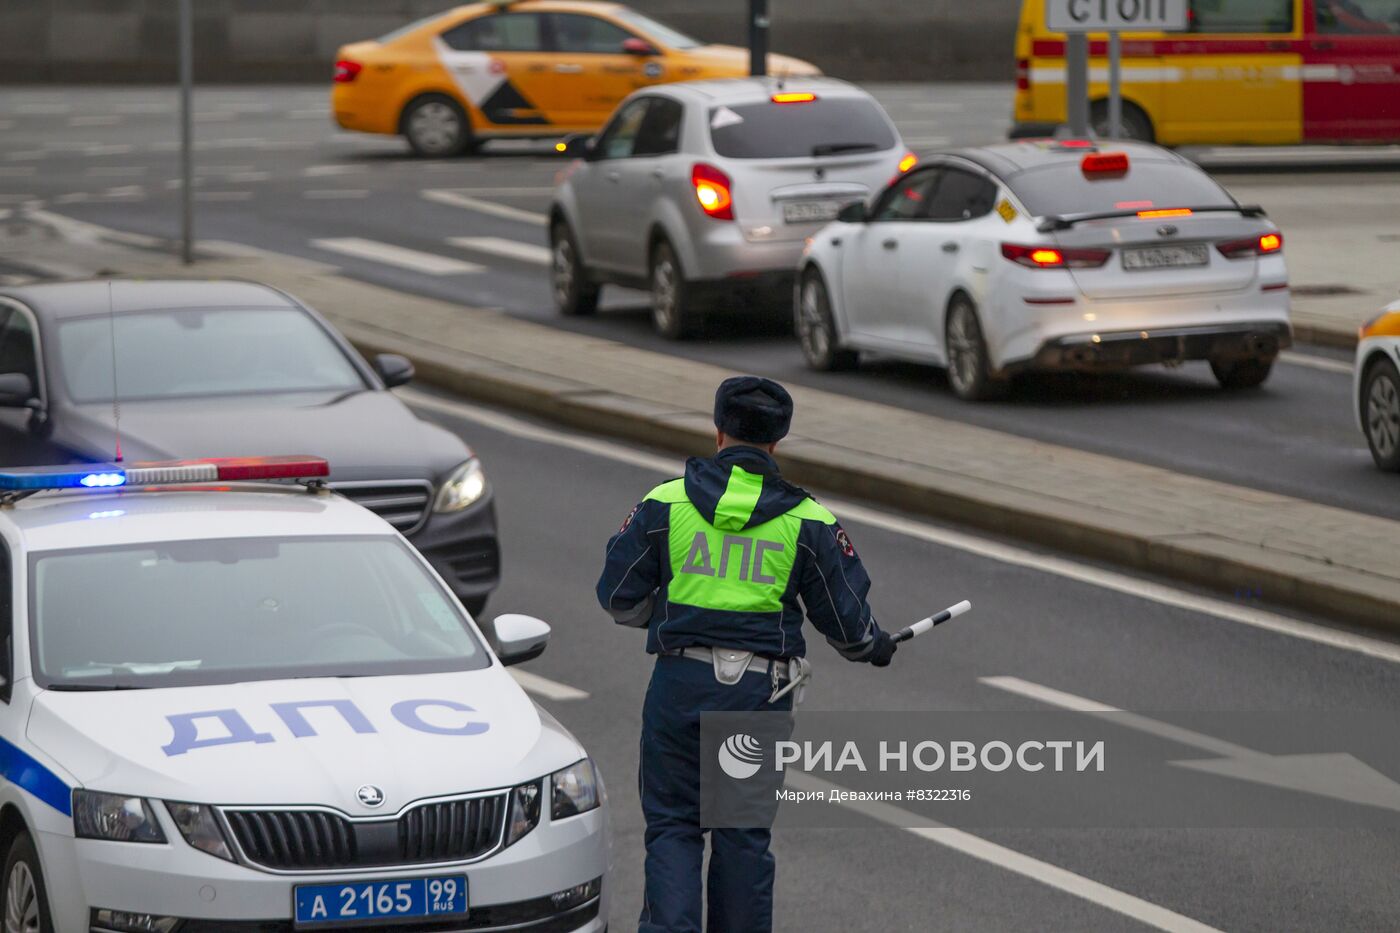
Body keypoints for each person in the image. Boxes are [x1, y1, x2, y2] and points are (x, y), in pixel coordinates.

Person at [596, 375, 897, 933]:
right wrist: (874, 646)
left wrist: (664, 615)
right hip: (758, 698)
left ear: (718, 431)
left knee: (674, 829)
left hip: (679, 687)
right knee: (741, 840)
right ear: (777, 442)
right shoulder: (808, 521)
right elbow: (849, 626)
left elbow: (616, 596)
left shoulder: (666, 503)